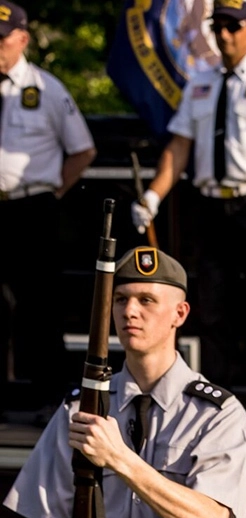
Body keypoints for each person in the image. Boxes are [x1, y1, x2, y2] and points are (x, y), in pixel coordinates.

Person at [3, 246, 246, 518]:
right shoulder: (81, 408)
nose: (129, 311)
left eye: (146, 300)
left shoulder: (216, 413)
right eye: (120, 299)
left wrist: (119, 458)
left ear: (179, 314)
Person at [130, 0, 246, 439]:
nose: (224, 35)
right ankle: (217, 404)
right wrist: (154, 195)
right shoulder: (201, 83)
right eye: (218, 26)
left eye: (233, 26)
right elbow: (179, 147)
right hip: (210, 205)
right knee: (210, 308)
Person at [0, 0, 96, 423]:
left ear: (22, 39)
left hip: (32, 207)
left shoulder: (46, 88)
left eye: (1, 40)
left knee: (39, 303)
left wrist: (53, 191)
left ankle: (47, 399)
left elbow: (83, 149)